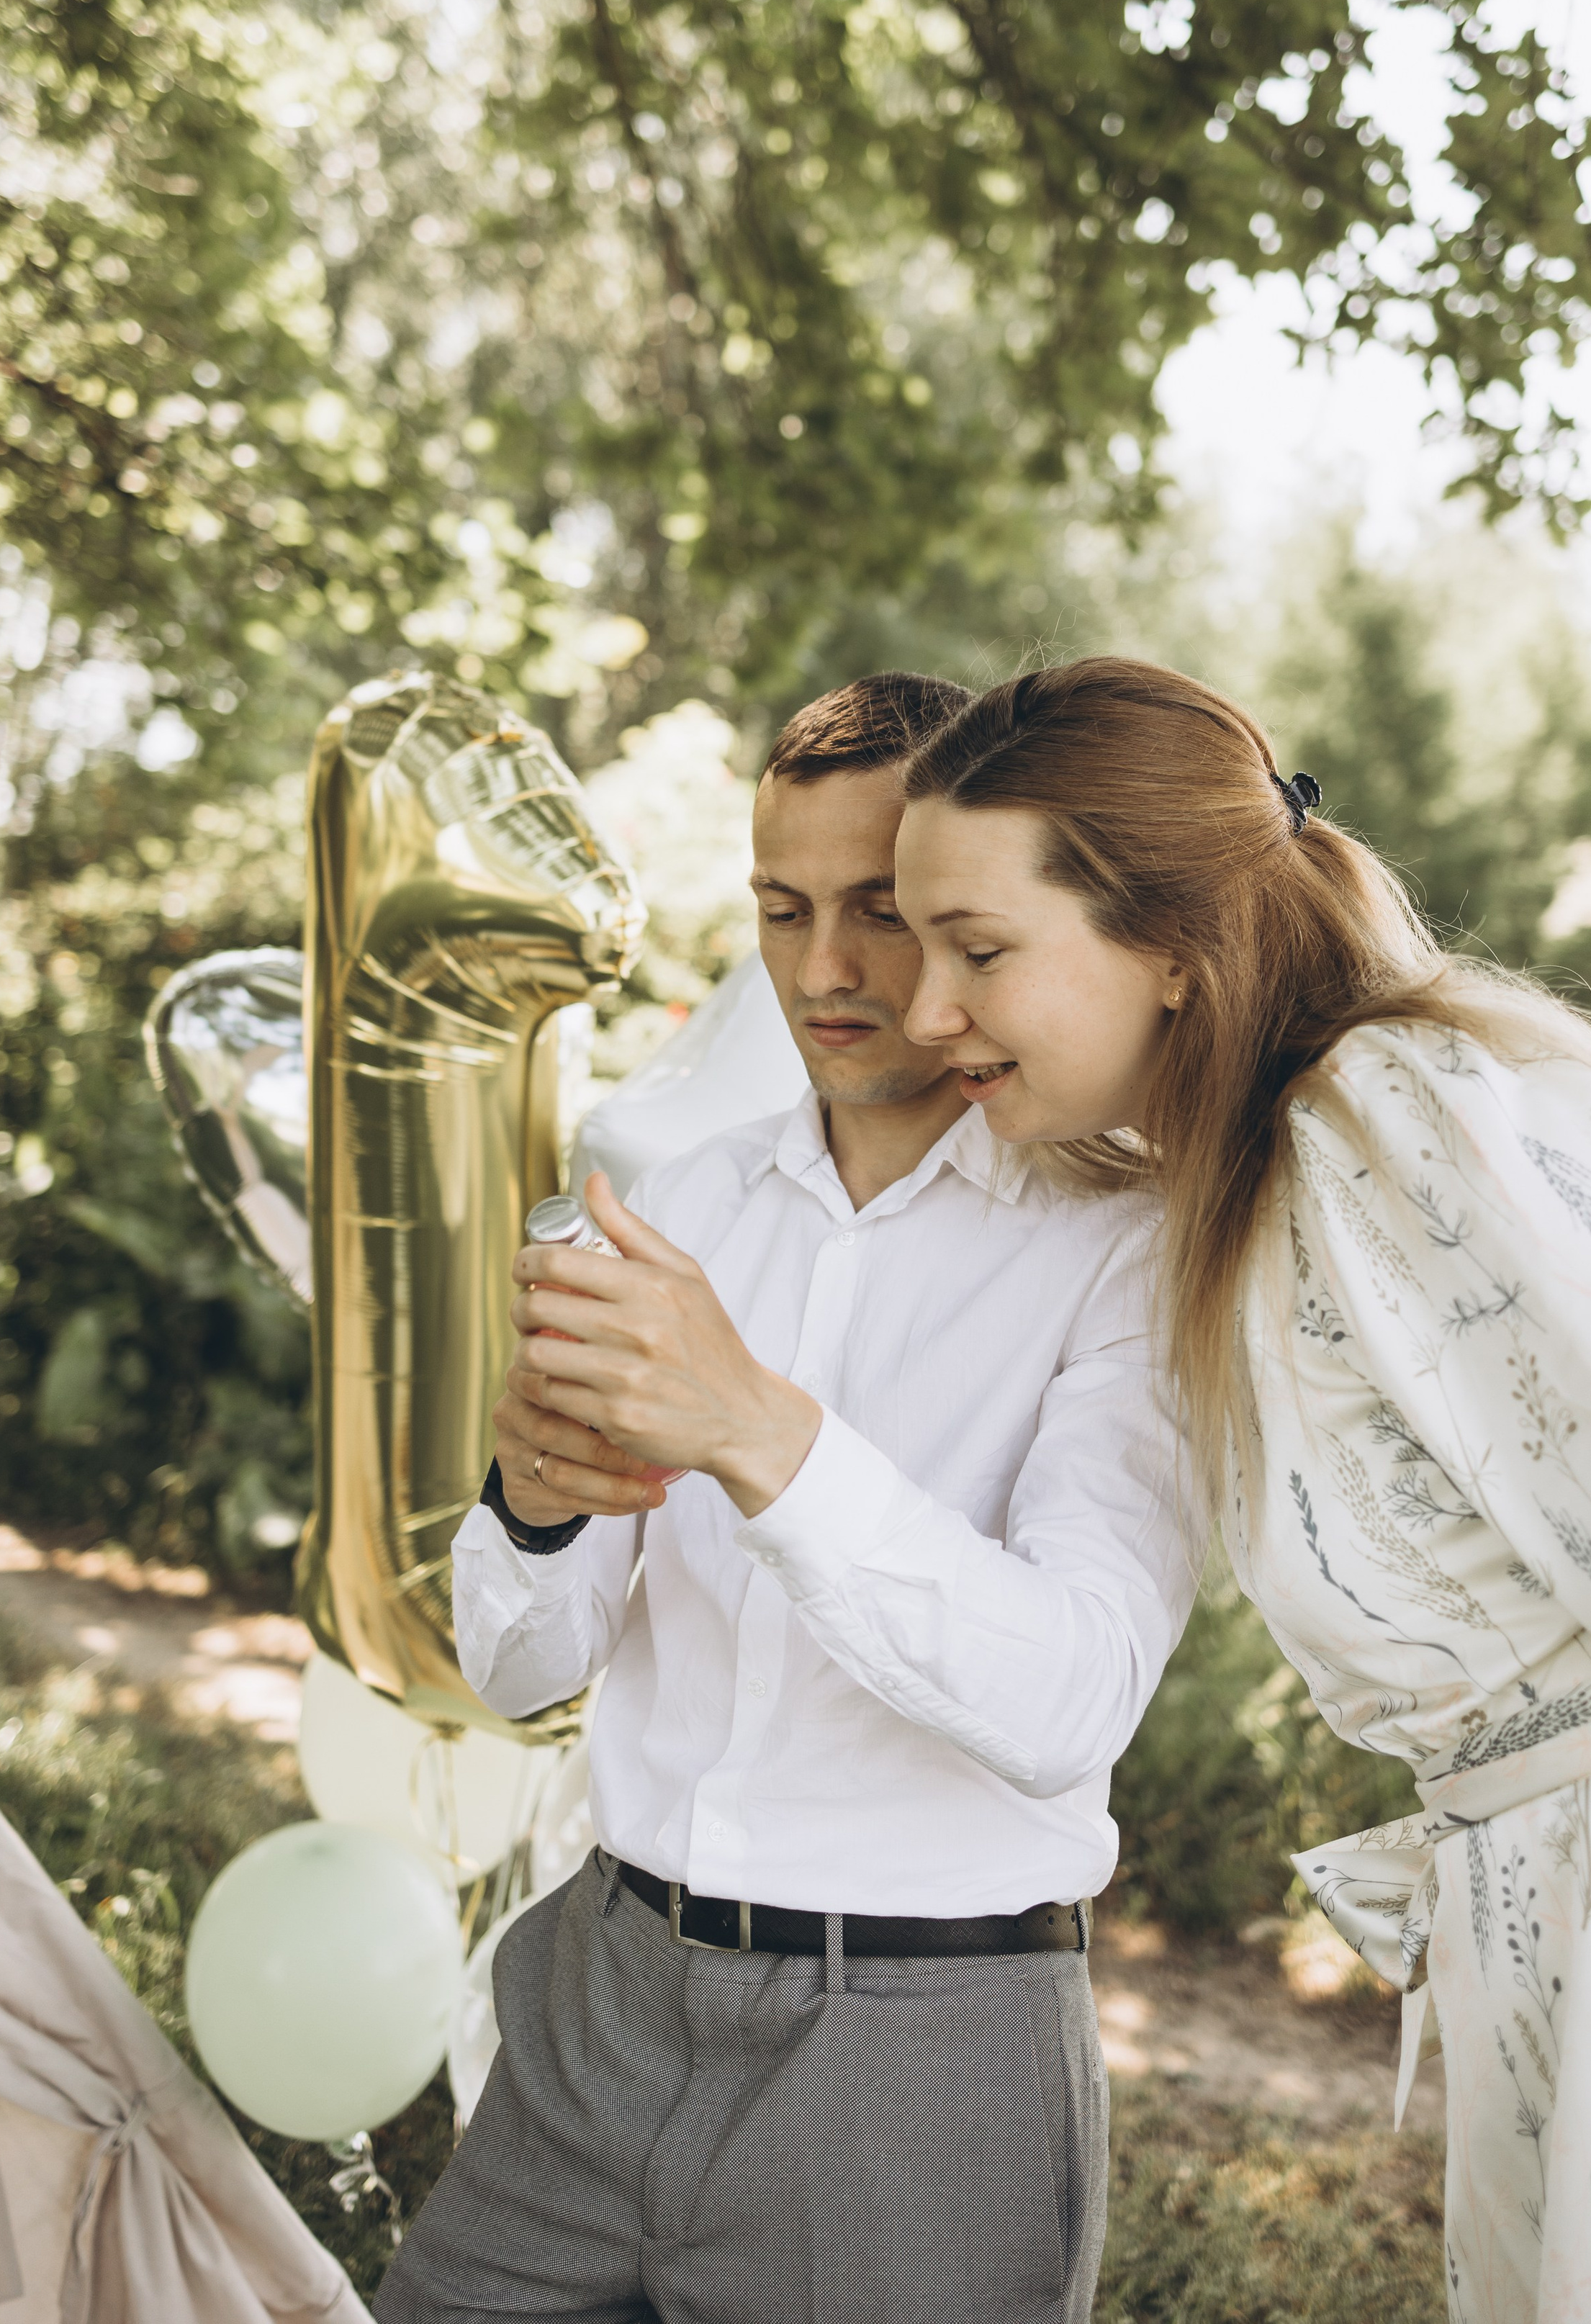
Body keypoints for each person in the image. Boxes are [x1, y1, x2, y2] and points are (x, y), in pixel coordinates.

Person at [893, 652, 1591, 2324]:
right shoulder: (1243, 1173)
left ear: (1167, 947)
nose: (929, 1007)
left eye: (978, 950)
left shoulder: (1377, 1119)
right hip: (1563, 1909)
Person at [376, 670, 1202, 2324]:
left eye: (886, 915)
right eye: (779, 908)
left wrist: (760, 1429)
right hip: (595, 2013)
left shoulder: (1135, 1243)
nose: (824, 971)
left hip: (911, 2052)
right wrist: (531, 1510)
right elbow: (524, 1665)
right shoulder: (672, 1205)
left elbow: (1067, 1700)